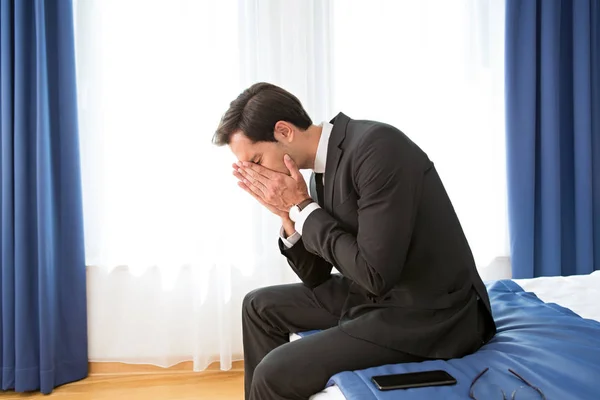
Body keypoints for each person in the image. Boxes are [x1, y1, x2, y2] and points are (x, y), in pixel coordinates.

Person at [212, 82, 496, 400]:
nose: (256, 174)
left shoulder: (378, 147)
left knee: (273, 372)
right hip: (372, 294)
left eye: (257, 160)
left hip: (428, 312)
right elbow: (315, 276)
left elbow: (375, 274)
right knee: (258, 306)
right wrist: (286, 214)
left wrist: (305, 208)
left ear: (284, 131)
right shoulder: (315, 172)